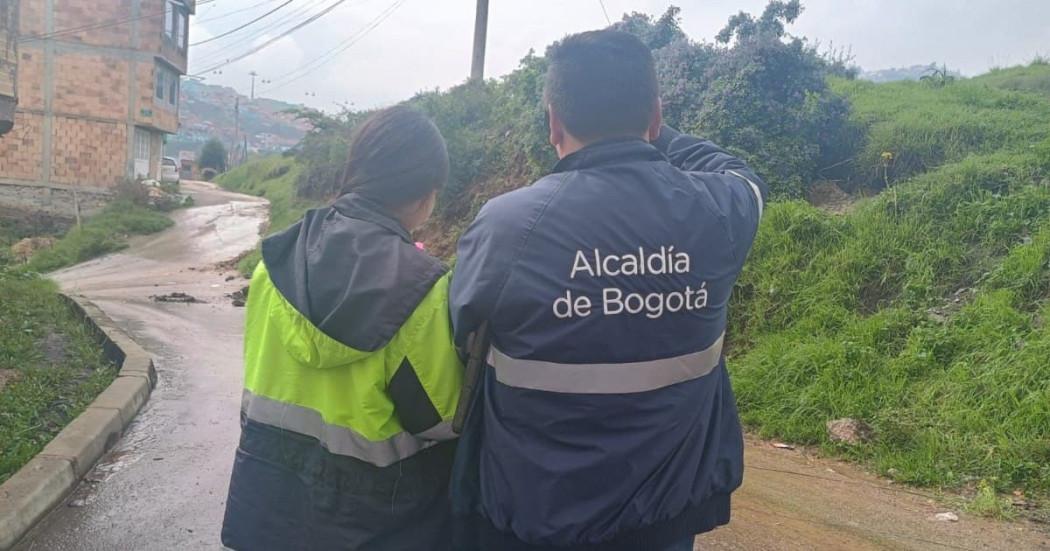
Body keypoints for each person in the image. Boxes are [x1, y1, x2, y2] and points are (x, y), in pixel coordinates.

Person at [449, 30, 767, 551]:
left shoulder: (507, 225)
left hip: (533, 514)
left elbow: (460, 334)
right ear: (657, 116)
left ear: (553, 122)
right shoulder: (718, 210)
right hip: (665, 519)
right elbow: (741, 174)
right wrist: (651, 129)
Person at [221, 106, 464, 551]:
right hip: (375, 516)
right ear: (425, 194)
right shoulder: (422, 289)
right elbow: (440, 418)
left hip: (267, 503)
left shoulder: (273, 264)